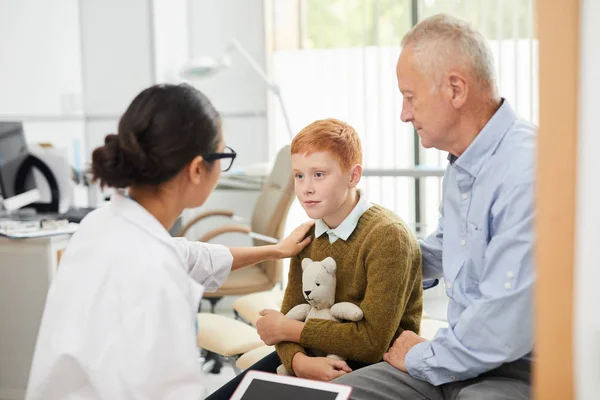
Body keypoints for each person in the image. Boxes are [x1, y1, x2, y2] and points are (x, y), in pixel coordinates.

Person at [25, 83, 314, 400]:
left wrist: (276, 250)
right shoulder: (157, 280)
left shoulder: (101, 224)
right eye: (223, 155)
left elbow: (190, 256)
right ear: (196, 169)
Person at [334, 14, 536, 400]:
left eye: (410, 97)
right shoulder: (462, 165)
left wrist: (423, 356)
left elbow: (501, 329)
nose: (404, 114)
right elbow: (445, 249)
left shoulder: (527, 171)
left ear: (455, 89)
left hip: (519, 371)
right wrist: (363, 254)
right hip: (458, 357)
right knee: (335, 393)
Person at [206, 118, 423, 399]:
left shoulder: (388, 237)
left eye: (319, 174)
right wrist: (300, 361)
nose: (305, 188)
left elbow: (371, 342)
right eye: (298, 176)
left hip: (366, 366)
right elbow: (286, 320)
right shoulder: (309, 235)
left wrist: (291, 330)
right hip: (309, 357)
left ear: (353, 176)